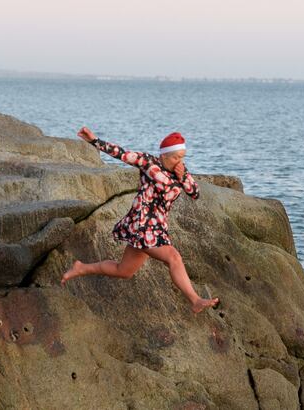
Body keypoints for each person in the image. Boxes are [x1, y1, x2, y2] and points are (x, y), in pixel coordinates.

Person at [62, 128, 220, 313]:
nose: (180, 161)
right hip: (142, 225)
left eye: (183, 157)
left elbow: (195, 194)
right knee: (173, 257)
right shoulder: (148, 163)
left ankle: (81, 268)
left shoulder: (180, 172)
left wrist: (183, 175)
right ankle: (195, 299)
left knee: (124, 271)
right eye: (177, 157)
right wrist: (94, 141)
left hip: (158, 227)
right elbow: (121, 153)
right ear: (165, 155)